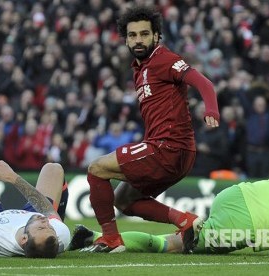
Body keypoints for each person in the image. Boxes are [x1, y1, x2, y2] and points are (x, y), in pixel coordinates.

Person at [84, 5, 220, 253]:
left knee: (96, 169)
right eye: (132, 35)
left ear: (156, 36)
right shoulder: (140, 70)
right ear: (125, 39)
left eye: (144, 34)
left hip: (168, 148)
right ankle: (185, 221)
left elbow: (204, 82)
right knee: (124, 200)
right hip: (176, 153)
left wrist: (211, 109)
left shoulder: (164, 59)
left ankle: (111, 240)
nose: (138, 40)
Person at [73, 159, 269, 257]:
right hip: (249, 223)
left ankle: (97, 237)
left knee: (184, 239)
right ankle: (94, 237)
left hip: (236, 194)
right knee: (176, 245)